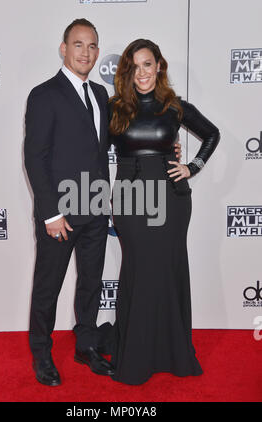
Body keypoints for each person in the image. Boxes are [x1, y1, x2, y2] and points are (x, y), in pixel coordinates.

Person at [108, 39, 220, 385]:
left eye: (147, 64)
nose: (141, 73)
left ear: (159, 66)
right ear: (127, 72)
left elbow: (212, 134)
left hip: (171, 198)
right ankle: (135, 354)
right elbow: (90, 145)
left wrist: (193, 166)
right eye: (134, 66)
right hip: (129, 197)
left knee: (166, 271)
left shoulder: (174, 107)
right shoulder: (115, 107)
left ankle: (172, 352)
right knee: (139, 270)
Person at [24, 19, 114, 386]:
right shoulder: (44, 94)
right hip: (59, 215)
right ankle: (41, 354)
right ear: (64, 49)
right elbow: (34, 157)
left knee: (91, 283)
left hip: (95, 209)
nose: (86, 52)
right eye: (79, 45)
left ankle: (86, 345)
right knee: (49, 285)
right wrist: (50, 213)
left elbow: (103, 149)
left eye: (92, 46)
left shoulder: (101, 95)